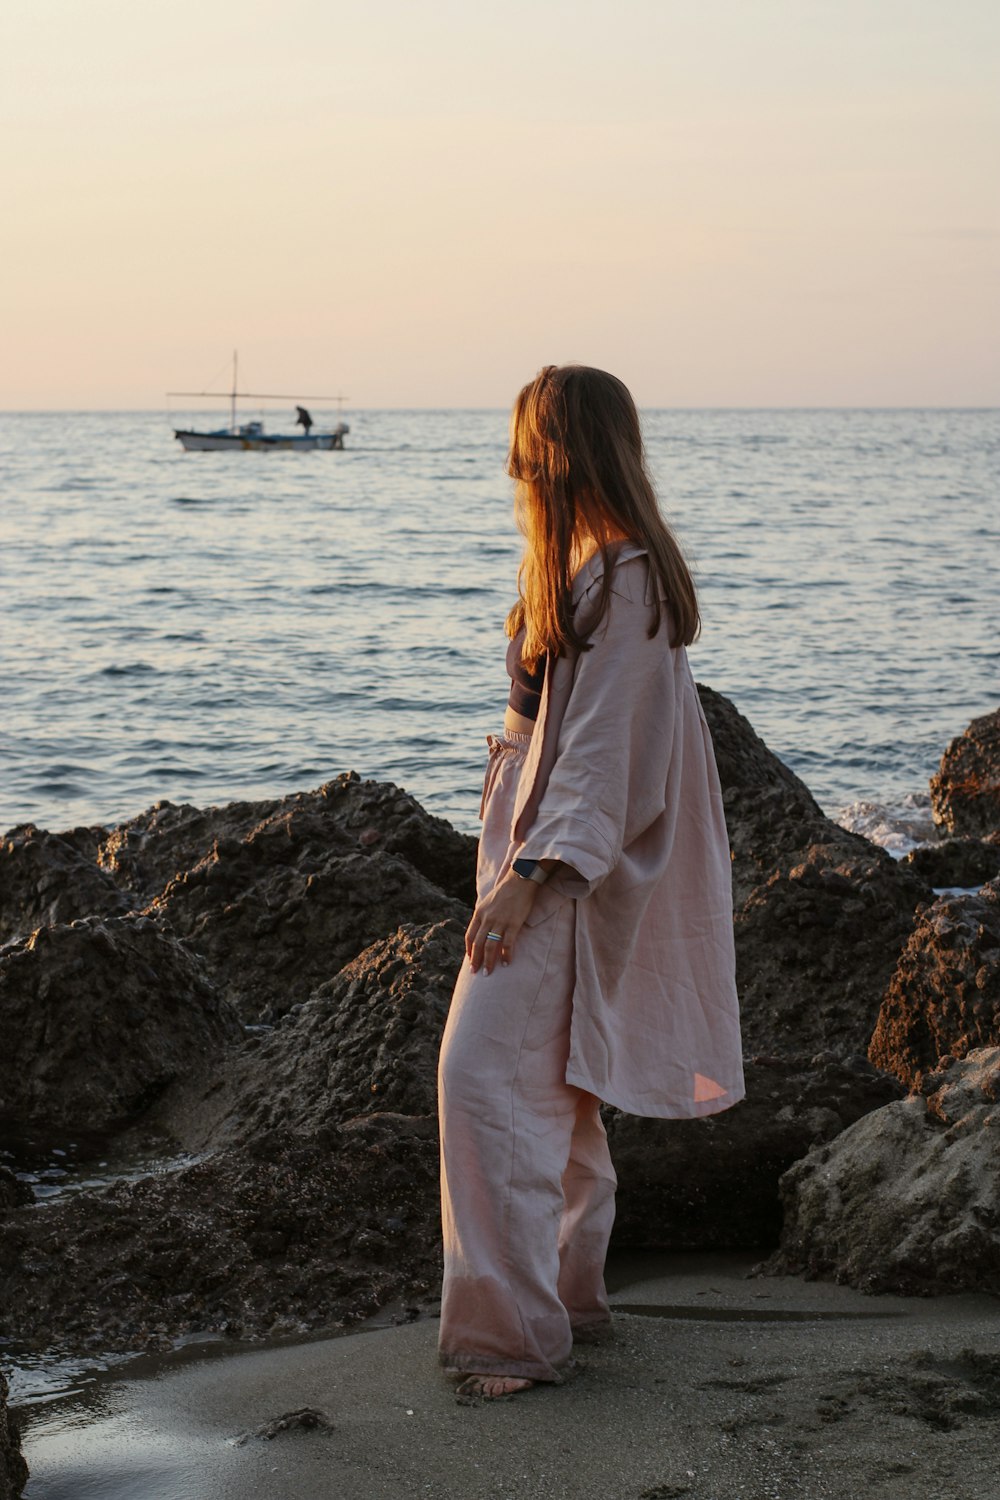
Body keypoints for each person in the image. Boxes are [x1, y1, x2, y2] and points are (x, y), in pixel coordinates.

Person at [437, 364, 745, 1400]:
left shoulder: (624, 578)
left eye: (529, 443)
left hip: (563, 866)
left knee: (480, 1080)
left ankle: (510, 1339)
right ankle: (565, 1300)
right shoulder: (575, 566)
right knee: (556, 1090)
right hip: (529, 843)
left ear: (560, 451)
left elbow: (607, 748)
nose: (515, 464)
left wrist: (534, 876)